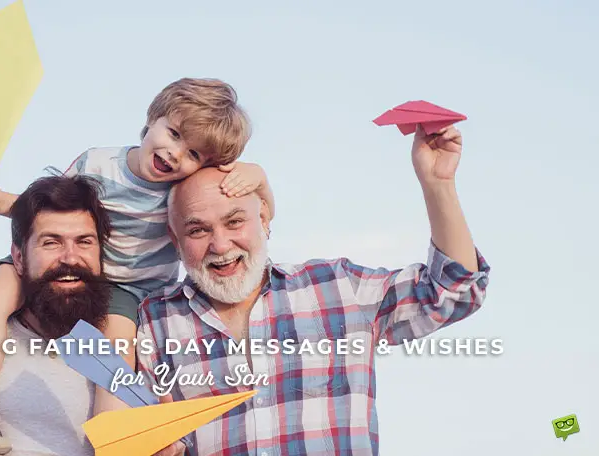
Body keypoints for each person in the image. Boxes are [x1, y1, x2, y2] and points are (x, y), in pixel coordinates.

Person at [0, 77, 275, 454]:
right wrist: (5, 202)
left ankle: (112, 443)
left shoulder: (182, 190)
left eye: (195, 154)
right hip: (68, 264)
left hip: (128, 289)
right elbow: (55, 211)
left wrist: (258, 176)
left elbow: (259, 206)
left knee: (112, 354)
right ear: (152, 119)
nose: (177, 154)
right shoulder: (97, 163)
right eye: (175, 134)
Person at [135, 125, 491, 455]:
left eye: (234, 222)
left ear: (263, 219)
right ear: (176, 240)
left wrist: (438, 183)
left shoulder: (336, 286)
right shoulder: (154, 323)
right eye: (198, 231)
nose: (221, 244)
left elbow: (453, 293)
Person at [0, 175, 184, 456]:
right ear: (18, 258)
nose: (70, 257)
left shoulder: (140, 348)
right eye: (50, 242)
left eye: (84, 242)